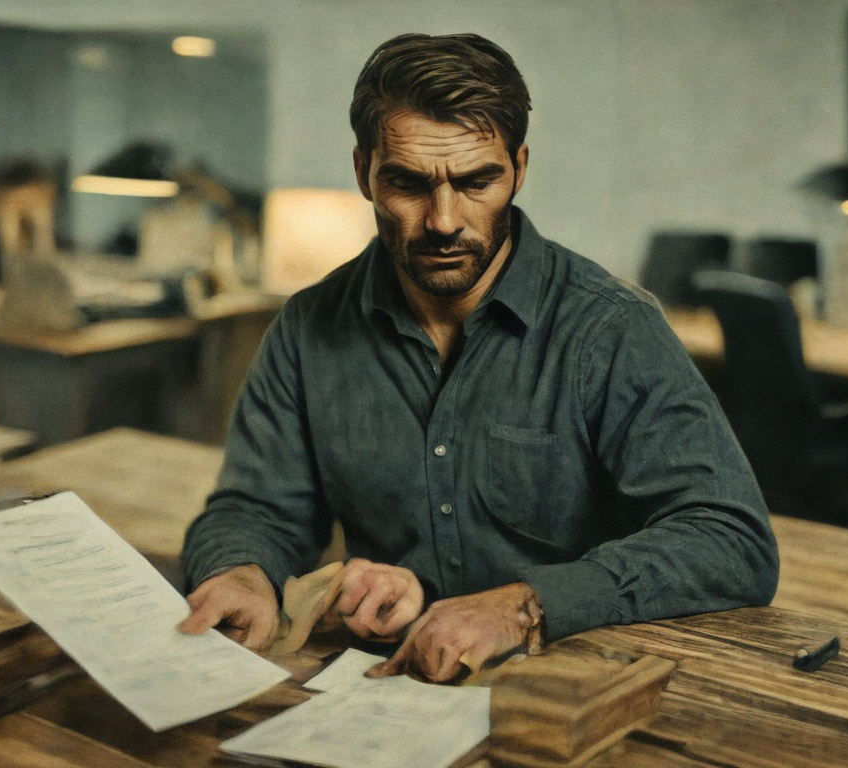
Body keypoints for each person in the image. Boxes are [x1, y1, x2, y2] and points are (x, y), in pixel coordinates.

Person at [180, 32, 778, 682]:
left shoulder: (612, 330)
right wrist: (242, 572)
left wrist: (525, 607)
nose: (443, 221)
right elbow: (258, 509)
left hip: (567, 686)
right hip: (381, 689)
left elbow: (731, 539)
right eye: (408, 183)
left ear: (518, 168)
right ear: (363, 173)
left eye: (476, 182)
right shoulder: (307, 326)